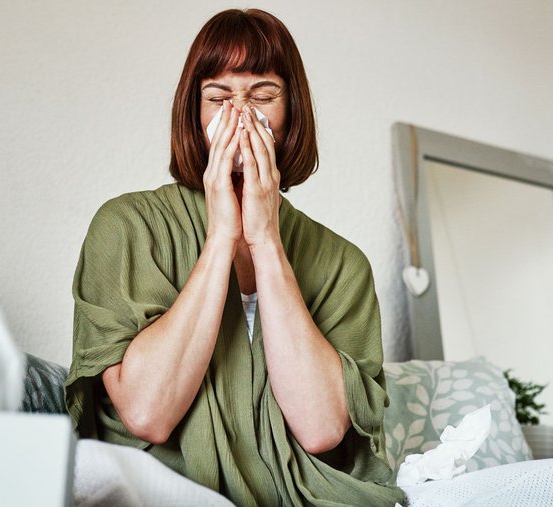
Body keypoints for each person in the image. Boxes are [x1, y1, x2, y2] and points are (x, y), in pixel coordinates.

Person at [65, 8, 405, 506]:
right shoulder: (127, 226)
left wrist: (266, 241)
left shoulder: (343, 264)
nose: (241, 114)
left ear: (292, 113)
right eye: (219, 97)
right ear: (194, 113)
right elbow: (146, 412)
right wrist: (221, 237)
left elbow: (321, 429)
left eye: (263, 95)